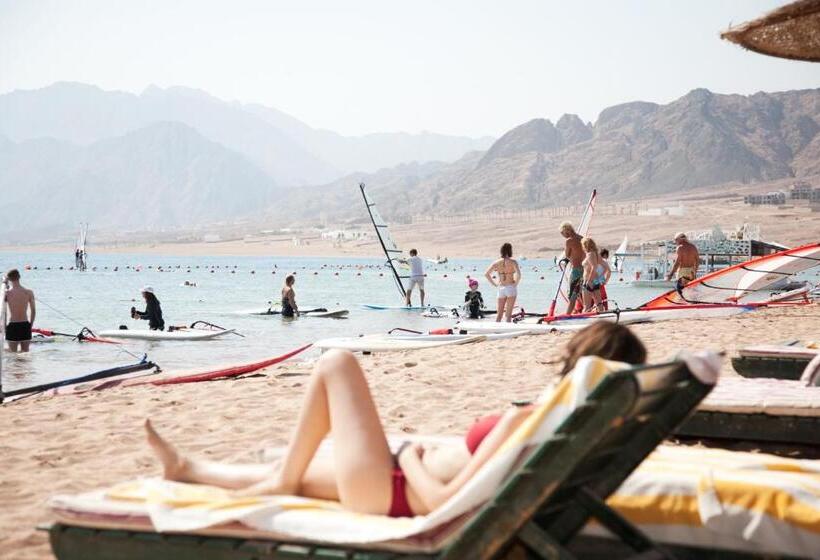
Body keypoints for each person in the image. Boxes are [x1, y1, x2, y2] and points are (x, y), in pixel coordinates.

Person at [144, 322, 646, 519]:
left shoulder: (528, 422)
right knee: (302, 476)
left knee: (337, 362)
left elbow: (447, 503)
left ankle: (276, 479)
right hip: (394, 481)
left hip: (399, 488)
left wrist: (411, 457)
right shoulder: (563, 425)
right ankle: (188, 470)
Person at [484, 243, 521, 322]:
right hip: (510, 287)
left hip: (501, 288)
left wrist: (494, 284)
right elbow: (519, 275)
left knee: (499, 314)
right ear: (510, 251)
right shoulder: (513, 262)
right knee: (508, 315)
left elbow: (486, 274)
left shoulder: (497, 262)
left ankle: (496, 330)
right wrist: (515, 284)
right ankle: (507, 329)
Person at [3, 269, 36, 353]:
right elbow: (33, 311)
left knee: (13, 354)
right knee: (25, 353)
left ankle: (15, 367)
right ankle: (24, 367)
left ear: (9, 279)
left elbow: (3, 311)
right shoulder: (28, 292)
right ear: (19, 277)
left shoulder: (6, 293)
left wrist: (4, 326)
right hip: (25, 325)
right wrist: (30, 325)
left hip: (12, 325)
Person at [559, 222, 584, 314]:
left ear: (566, 231)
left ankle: (568, 314)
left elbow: (567, 254)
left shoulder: (569, 241)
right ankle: (584, 310)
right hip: (585, 269)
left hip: (576, 270)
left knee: (572, 294)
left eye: (562, 233)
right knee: (581, 293)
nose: (563, 236)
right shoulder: (582, 238)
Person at [580, 238, 611, 313]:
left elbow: (594, 267)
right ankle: (602, 318)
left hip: (589, 281)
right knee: (599, 305)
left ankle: (584, 322)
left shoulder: (590, 254)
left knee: (586, 306)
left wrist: (589, 280)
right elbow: (607, 268)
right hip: (596, 281)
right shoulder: (597, 254)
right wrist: (603, 279)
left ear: (585, 245)